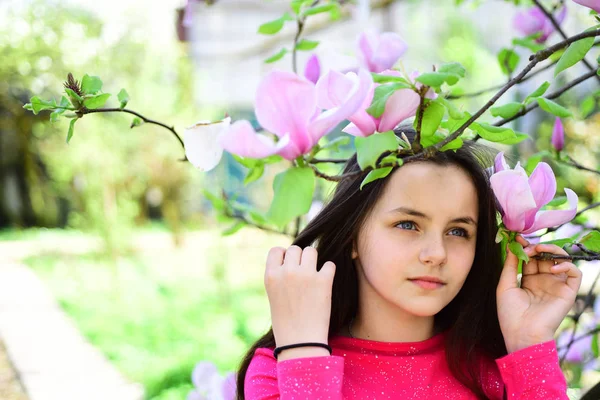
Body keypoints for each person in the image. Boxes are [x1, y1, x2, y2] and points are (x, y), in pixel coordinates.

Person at [235, 128, 582, 400]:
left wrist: (529, 343)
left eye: (458, 231)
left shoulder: (492, 370)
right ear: (353, 235)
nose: (437, 253)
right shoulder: (280, 368)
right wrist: (304, 353)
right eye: (407, 225)